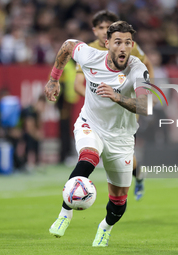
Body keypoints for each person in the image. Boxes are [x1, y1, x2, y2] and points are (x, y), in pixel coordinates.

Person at [44, 21, 150, 247]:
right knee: (89, 156)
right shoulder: (90, 56)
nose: (123, 48)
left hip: (121, 137)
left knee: (119, 199)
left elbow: (145, 104)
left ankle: (105, 227)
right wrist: (54, 79)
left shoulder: (137, 68)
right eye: (118, 42)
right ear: (107, 43)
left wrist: (117, 96)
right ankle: (65, 214)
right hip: (90, 124)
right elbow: (67, 46)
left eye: (128, 43)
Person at [74, 10, 154, 201]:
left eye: (107, 27)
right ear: (95, 31)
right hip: (100, 110)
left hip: (126, 108)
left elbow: (147, 67)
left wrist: (143, 90)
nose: (104, 31)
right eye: (101, 28)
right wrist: (100, 97)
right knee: (93, 150)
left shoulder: (128, 48)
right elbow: (78, 83)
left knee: (124, 153)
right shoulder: (90, 51)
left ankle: (138, 175)